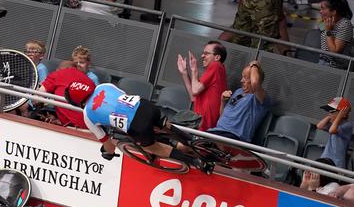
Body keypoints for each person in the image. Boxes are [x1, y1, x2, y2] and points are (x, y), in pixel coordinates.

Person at [64, 80, 213, 173]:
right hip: (144, 105)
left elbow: (108, 144)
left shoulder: (87, 115)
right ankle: (193, 139)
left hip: (136, 125)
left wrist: (107, 152)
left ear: (76, 102)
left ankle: (194, 161)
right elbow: (122, 97)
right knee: (164, 125)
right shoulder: (104, 86)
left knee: (153, 147)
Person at [208, 61, 271, 143]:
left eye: (245, 77)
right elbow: (221, 118)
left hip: (234, 137)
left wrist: (255, 65)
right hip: (217, 131)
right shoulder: (238, 91)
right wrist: (223, 101)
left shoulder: (260, 98)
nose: (241, 80)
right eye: (242, 77)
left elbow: (255, 83)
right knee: (187, 146)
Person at [177, 41, 228, 131]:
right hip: (198, 123)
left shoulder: (216, 66)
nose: (202, 56)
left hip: (204, 125)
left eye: (206, 53)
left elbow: (195, 90)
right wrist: (184, 72)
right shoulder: (214, 70)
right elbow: (193, 97)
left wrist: (194, 70)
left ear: (217, 57)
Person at [318, 0, 353, 70]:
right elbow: (320, 29)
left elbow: (334, 52)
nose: (320, 11)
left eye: (323, 8)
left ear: (334, 12)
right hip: (322, 61)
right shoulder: (326, 22)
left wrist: (328, 31)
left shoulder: (345, 24)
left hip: (335, 67)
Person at [317, 97, 352, 168]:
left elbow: (332, 130)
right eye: (329, 112)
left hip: (336, 164)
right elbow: (319, 126)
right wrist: (330, 116)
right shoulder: (334, 124)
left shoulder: (348, 125)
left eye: (332, 112)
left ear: (342, 114)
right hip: (325, 159)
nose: (330, 114)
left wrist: (339, 117)